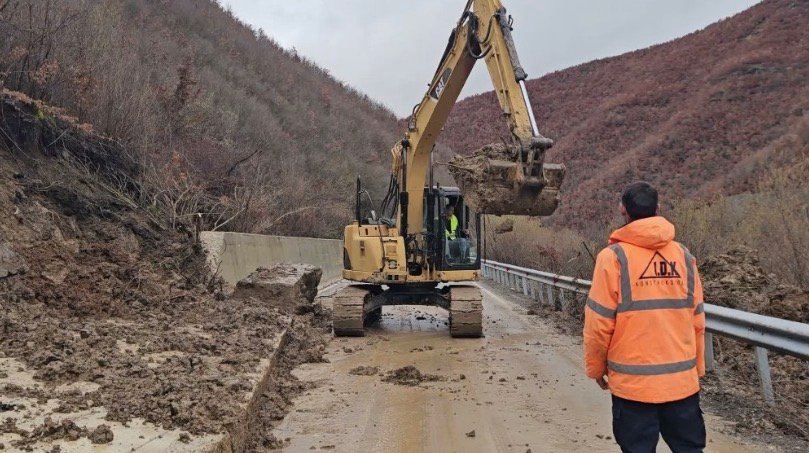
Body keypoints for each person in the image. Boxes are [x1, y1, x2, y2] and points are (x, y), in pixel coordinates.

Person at [583, 181, 707, 453]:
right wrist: (696, 368)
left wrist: (596, 368)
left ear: (622, 210)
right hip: (681, 385)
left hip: (633, 388)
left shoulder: (613, 258)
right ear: (658, 209)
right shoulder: (684, 256)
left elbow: (598, 323)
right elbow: (697, 319)